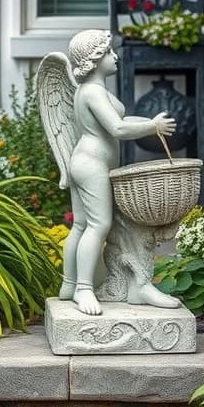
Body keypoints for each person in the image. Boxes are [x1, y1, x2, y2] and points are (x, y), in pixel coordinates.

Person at [61, 29, 176, 315]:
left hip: (85, 162)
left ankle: (69, 283)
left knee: (81, 225)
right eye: (108, 52)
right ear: (95, 59)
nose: (115, 56)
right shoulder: (93, 92)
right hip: (92, 164)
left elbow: (122, 119)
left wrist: (150, 121)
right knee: (98, 225)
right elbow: (118, 129)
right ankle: (83, 289)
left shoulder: (89, 91)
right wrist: (152, 128)